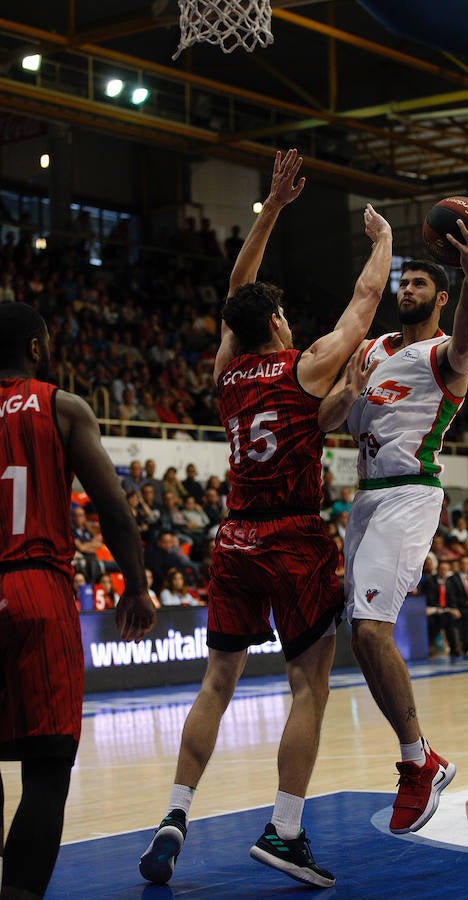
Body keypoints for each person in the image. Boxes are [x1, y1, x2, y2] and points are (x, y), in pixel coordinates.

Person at [139, 147, 393, 890]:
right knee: (307, 685)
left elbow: (234, 291)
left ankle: (173, 817)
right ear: (277, 323)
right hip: (292, 536)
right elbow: (364, 304)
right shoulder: (302, 365)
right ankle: (285, 831)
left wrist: (274, 207)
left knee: (217, 680)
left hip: (235, 538)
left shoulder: (224, 377)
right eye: (280, 311)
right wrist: (381, 242)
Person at [317, 210, 468, 834]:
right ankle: (424, 758)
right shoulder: (368, 351)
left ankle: (417, 760)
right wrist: (347, 389)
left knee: (369, 631)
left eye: (420, 284)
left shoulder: (441, 355)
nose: (406, 291)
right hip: (364, 499)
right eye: (403, 283)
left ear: (441, 297)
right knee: (361, 636)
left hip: (409, 495)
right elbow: (327, 421)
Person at [0, 302, 155, 899]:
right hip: (36, 587)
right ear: (36, 350)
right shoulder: (61, 405)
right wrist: (137, 586)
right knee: (46, 769)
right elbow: (113, 509)